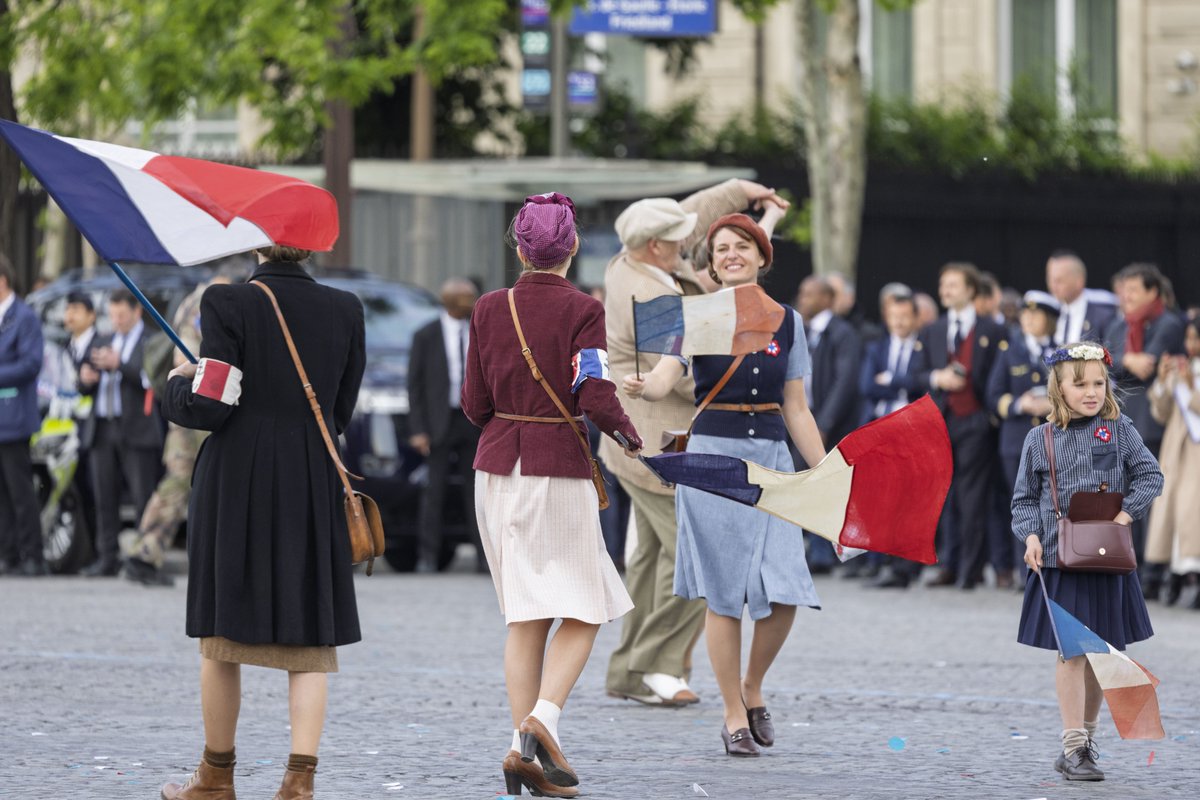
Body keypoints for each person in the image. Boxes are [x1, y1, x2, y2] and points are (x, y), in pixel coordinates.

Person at [158, 245, 366, 800]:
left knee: (221, 635)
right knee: (311, 643)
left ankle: (215, 778)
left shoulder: (226, 302)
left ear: (257, 244)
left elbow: (212, 406)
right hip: (310, 475)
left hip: (238, 480)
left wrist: (178, 381)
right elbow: (341, 410)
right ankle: (299, 783)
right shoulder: (345, 307)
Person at [461, 192, 642, 798]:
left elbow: (474, 406)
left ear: (518, 248)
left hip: (495, 471)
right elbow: (593, 391)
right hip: (555, 470)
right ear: (571, 250)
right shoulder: (584, 309)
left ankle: (521, 750)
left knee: (526, 612)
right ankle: (545, 720)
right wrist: (629, 433)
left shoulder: (489, 307)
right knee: (589, 604)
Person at [624, 213, 825, 758]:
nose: (730, 254)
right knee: (724, 594)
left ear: (762, 256)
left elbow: (797, 408)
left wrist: (828, 472)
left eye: (741, 246)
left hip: (772, 460)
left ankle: (752, 685)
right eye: (720, 250)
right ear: (711, 264)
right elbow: (668, 373)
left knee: (785, 589)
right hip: (712, 459)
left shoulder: (789, 322)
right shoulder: (694, 314)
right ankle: (733, 713)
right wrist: (646, 388)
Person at [600, 178, 786, 707]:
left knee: (655, 557)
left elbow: (685, 212)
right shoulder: (652, 291)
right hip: (658, 443)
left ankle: (630, 670)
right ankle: (655, 665)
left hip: (637, 442)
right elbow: (680, 373)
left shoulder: (633, 258)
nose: (691, 242)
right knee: (697, 556)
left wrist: (739, 190)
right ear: (658, 246)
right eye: (679, 240)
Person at [1012, 342, 1162, 783]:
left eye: (1099, 383)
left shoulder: (1119, 428)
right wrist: (1032, 536)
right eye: (1080, 385)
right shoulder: (1038, 439)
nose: (1092, 392)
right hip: (1061, 562)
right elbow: (1023, 501)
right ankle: (1073, 745)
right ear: (1058, 388)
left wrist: (1123, 517)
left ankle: (1086, 745)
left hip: (1109, 560)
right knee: (1071, 653)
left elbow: (1151, 475)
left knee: (1102, 655)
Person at [125, 275, 232, 587]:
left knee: (180, 483)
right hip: (195, 411)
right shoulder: (204, 305)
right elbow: (198, 359)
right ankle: (143, 555)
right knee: (181, 482)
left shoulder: (192, 301)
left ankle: (144, 553)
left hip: (188, 409)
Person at [914, 263, 1005, 589]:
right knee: (943, 496)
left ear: (970, 289)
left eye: (953, 284)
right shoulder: (932, 330)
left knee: (972, 496)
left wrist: (988, 415)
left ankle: (971, 567)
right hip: (940, 420)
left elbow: (998, 373)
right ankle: (948, 563)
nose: (946, 290)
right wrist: (938, 378)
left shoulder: (992, 330)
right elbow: (917, 373)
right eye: (943, 284)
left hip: (976, 421)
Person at [1103, 262, 1184, 598]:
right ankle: (1128, 566)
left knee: (1149, 499)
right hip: (1120, 420)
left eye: (1134, 290)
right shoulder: (1120, 323)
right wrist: (1126, 360)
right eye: (1124, 290)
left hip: (1152, 424)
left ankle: (1152, 573)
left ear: (1153, 291)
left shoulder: (1168, 323)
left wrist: (1126, 361)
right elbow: (1104, 360)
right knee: (1119, 497)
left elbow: (1147, 365)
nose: (1127, 296)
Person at [77, 289, 163, 576]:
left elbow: (150, 378)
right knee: (104, 496)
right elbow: (84, 378)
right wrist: (85, 378)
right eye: (112, 316)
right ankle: (107, 557)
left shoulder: (151, 339)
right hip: (102, 426)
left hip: (136, 428)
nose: (116, 322)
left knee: (142, 496)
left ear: (136, 312)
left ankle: (142, 558)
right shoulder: (104, 338)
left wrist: (120, 365)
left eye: (122, 316)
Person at [408, 277, 485, 573]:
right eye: (467, 300)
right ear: (451, 302)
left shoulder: (479, 331)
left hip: (471, 420)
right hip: (438, 421)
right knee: (434, 491)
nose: (472, 304)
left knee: (476, 491)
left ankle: (483, 557)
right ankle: (427, 556)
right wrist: (418, 429)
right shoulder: (425, 335)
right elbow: (414, 386)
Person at [986, 291, 1059, 588]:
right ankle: (1022, 569)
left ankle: (1049, 566)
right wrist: (1020, 405)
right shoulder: (1009, 350)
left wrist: (1052, 406)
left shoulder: (1060, 352)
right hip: (1017, 441)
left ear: (1050, 321)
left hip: (1052, 439)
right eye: (1025, 314)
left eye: (1036, 315)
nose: (1028, 319)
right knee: (1021, 505)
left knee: (1050, 504)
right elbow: (993, 396)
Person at [795, 274, 861, 573]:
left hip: (827, 423)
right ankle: (809, 549)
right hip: (800, 418)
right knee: (804, 486)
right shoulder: (802, 330)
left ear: (826, 299)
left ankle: (826, 553)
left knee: (829, 488)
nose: (802, 298)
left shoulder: (842, 333)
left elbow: (844, 381)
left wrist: (824, 422)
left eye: (809, 294)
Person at [858, 291, 923, 588]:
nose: (899, 322)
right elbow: (867, 386)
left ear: (915, 317)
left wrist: (893, 381)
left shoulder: (923, 349)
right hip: (880, 429)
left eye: (905, 316)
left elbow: (922, 384)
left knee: (908, 501)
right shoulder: (877, 348)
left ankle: (904, 565)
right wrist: (900, 386)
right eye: (894, 317)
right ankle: (879, 560)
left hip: (913, 430)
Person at [1145, 318, 1200, 607]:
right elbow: (1161, 412)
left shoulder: (1191, 375)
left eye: (1196, 338)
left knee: (1193, 517)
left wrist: (1191, 390)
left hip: (1196, 457)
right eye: (1189, 339)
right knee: (1175, 516)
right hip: (1176, 453)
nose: (1191, 345)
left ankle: (1192, 579)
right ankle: (1174, 578)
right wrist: (1164, 381)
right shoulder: (1183, 369)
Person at [0, 255, 48, 577]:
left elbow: (31, 364)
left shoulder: (24, 317)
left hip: (14, 417)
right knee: (2, 493)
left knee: (20, 490)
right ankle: (8, 553)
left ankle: (33, 554)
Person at [1046, 250, 1116, 345]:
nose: (1053, 286)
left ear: (1079, 281)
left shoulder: (1103, 314)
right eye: (1050, 279)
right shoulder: (1051, 313)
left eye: (1059, 280)